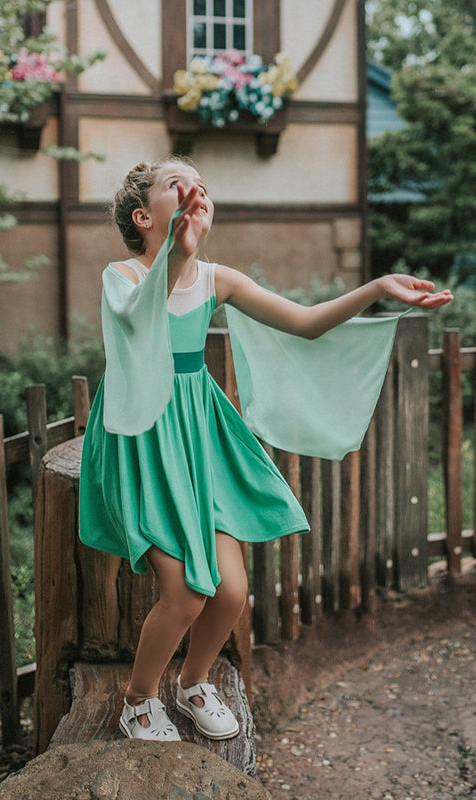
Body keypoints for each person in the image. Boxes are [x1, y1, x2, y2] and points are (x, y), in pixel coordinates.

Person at [79, 155, 453, 743]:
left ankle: (193, 683)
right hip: (144, 435)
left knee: (230, 591)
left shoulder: (215, 279)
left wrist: (378, 289)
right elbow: (136, 323)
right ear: (143, 217)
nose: (195, 192)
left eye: (201, 186)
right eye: (177, 185)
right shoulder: (121, 277)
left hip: (199, 437)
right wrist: (177, 251)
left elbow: (306, 323)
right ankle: (139, 698)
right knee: (185, 592)